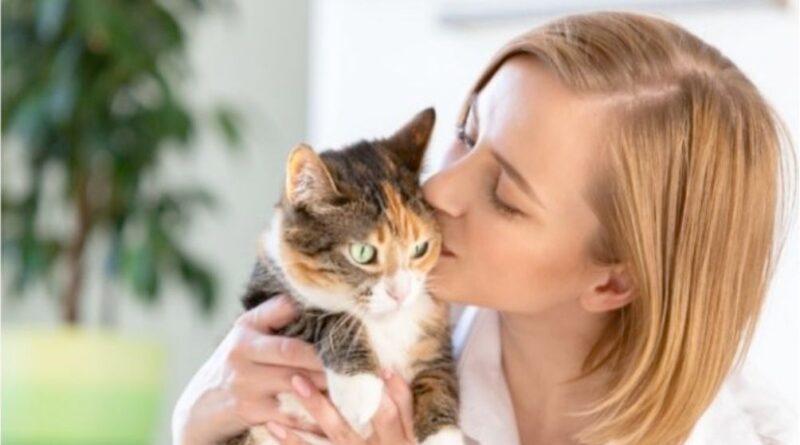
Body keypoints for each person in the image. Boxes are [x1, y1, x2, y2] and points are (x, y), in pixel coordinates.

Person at [171, 11, 797, 445]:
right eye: (466, 134)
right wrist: (197, 423)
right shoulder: (375, 335)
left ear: (612, 282)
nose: (439, 190)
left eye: (504, 196)